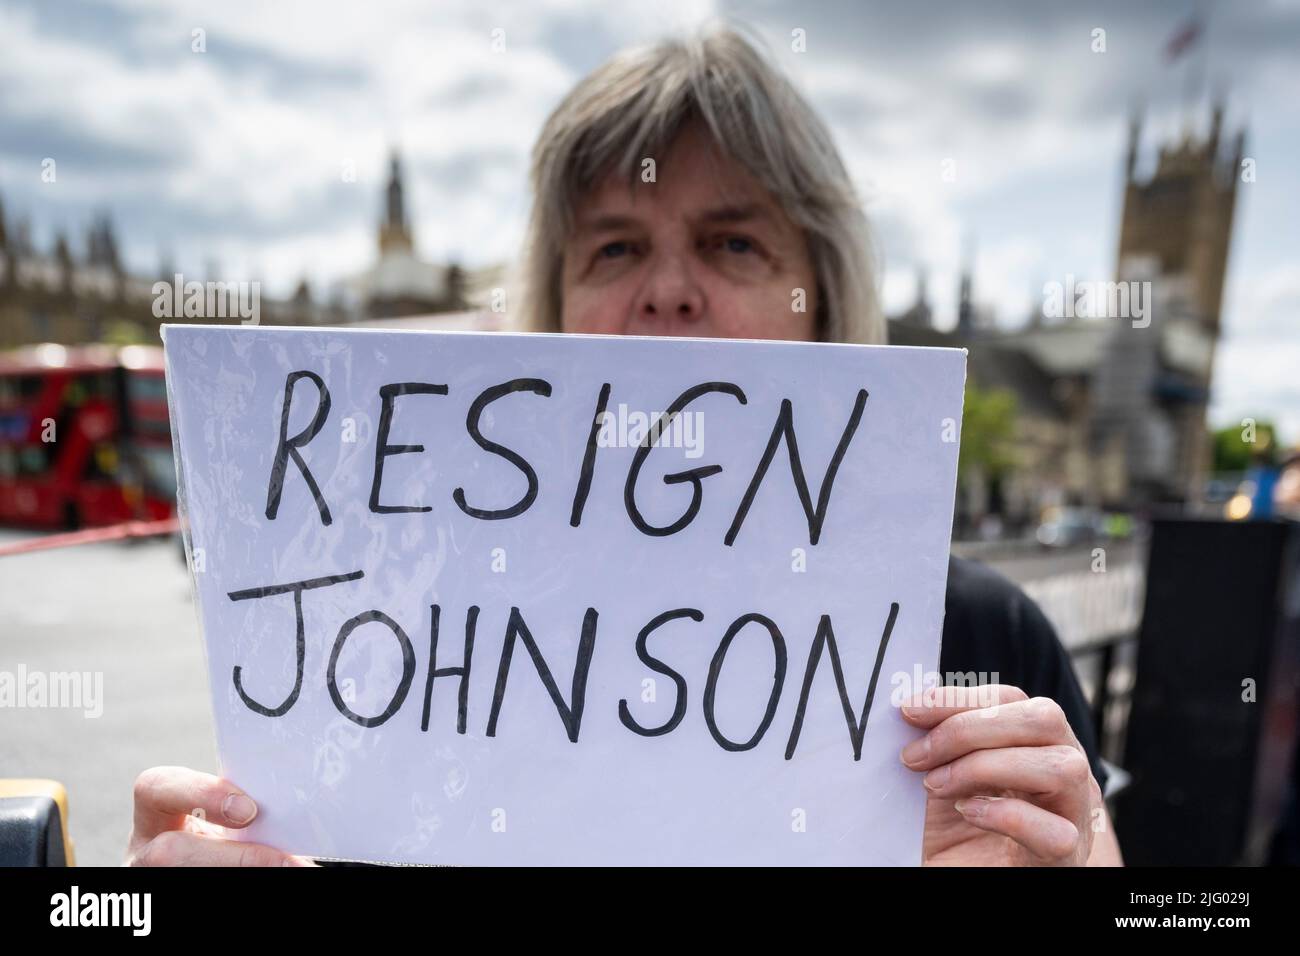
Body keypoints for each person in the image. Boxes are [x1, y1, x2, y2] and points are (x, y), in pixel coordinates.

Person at [129, 26, 1123, 867]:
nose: (668, 289)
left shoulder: (984, 640)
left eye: (734, 243)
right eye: (614, 246)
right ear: (549, 310)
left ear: (821, 303)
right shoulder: (413, 649)